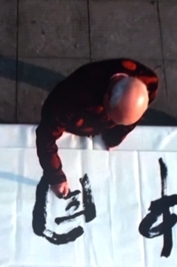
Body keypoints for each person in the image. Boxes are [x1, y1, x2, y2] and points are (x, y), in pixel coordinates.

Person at [36, 59, 159, 198]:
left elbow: (127, 121)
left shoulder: (149, 81)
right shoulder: (70, 98)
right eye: (113, 119)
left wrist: (115, 136)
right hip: (78, 120)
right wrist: (55, 176)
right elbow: (46, 136)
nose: (113, 124)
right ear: (106, 99)